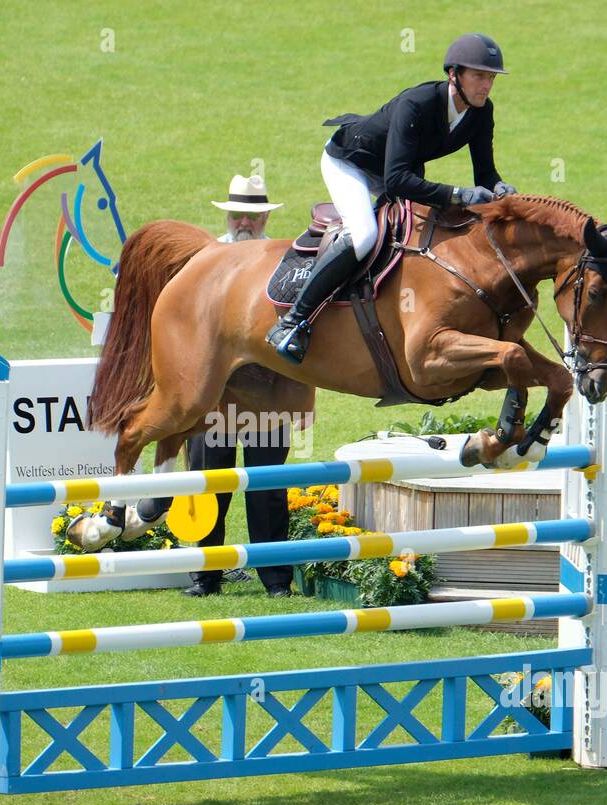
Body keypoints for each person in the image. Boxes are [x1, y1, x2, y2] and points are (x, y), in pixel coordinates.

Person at [266, 32, 519, 365]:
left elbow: (485, 175)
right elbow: (396, 180)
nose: (485, 85)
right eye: (478, 76)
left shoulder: (481, 112)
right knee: (364, 235)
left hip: (398, 169)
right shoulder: (418, 103)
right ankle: (292, 322)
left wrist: (500, 189)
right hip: (350, 162)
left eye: (490, 78)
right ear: (453, 74)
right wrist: (457, 195)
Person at [184, 174, 295, 599]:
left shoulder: (282, 262)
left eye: (252, 214)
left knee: (266, 485)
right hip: (213, 391)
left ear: (264, 216)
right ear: (228, 216)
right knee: (208, 480)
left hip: (265, 391)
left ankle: (276, 580)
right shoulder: (205, 260)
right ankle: (205, 576)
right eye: (238, 214)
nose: (244, 221)